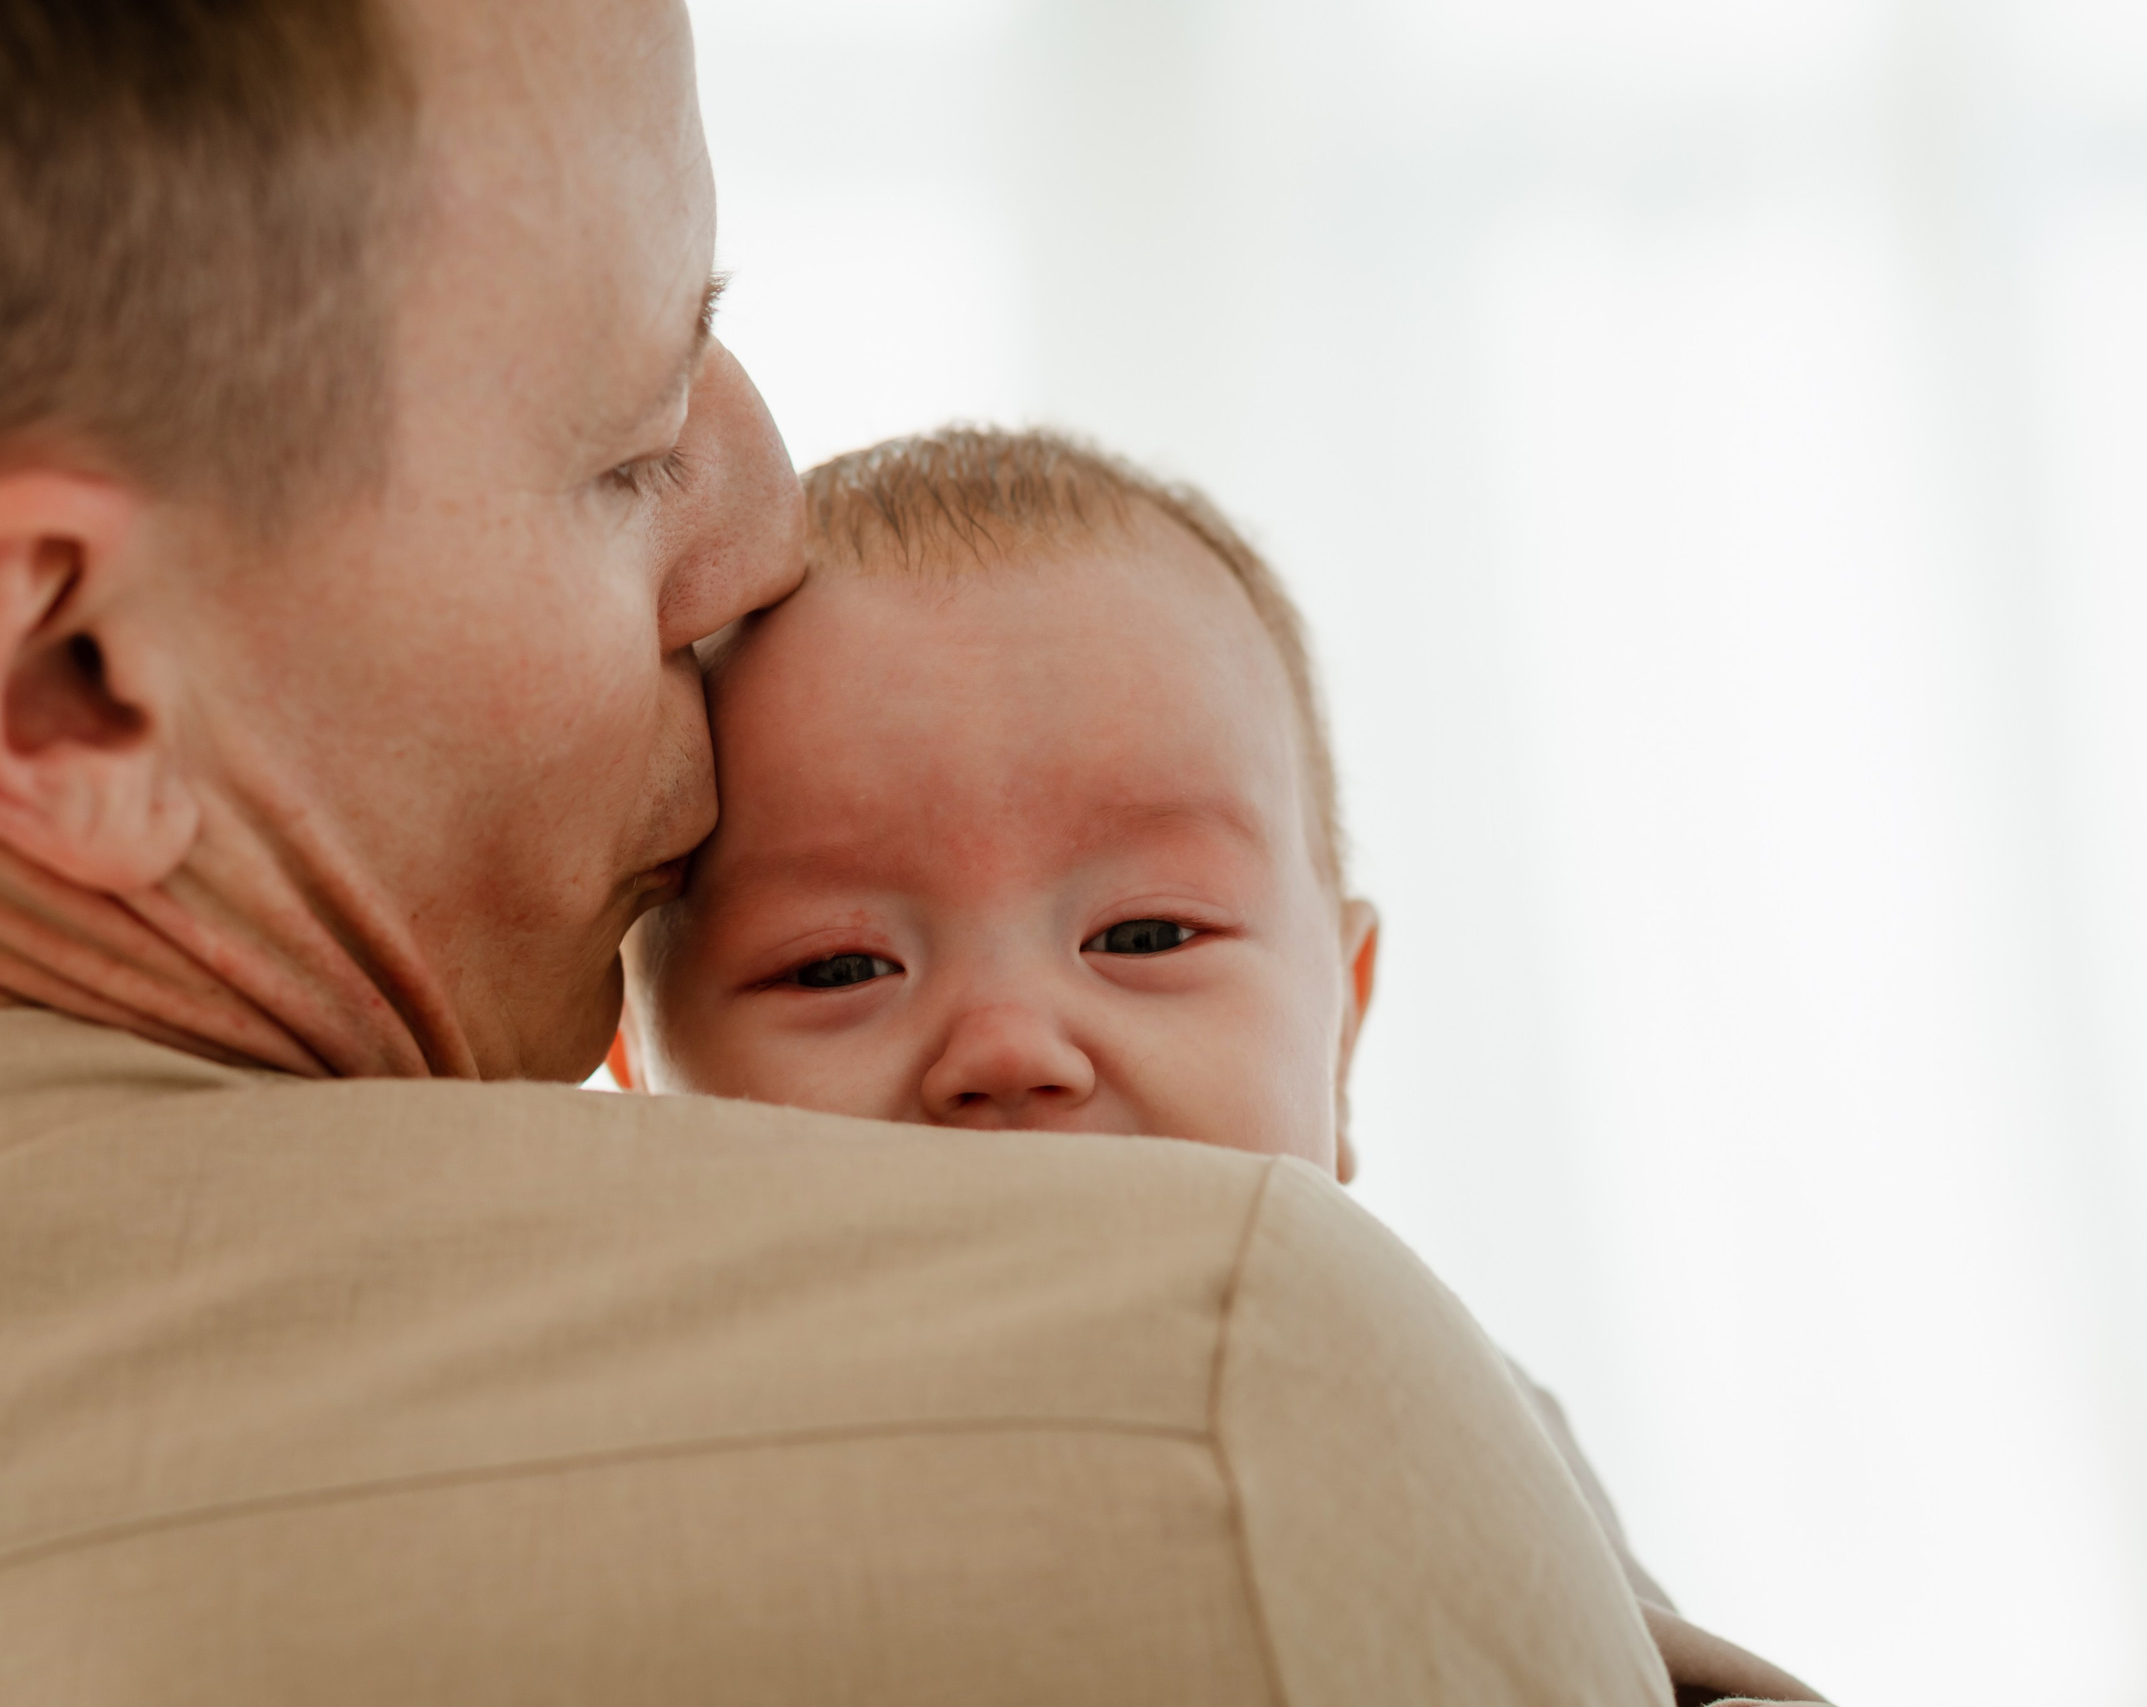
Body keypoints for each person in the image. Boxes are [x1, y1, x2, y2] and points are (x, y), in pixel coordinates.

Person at [0, 0, 1674, 1701]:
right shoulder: (1220, 1404)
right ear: (69, 677)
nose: (758, 537)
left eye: (1146, 927)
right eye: (633, 448)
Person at [609, 427, 1823, 1705]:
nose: (1009, 1048)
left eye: (1143, 936)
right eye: (839, 968)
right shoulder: (612, 1454)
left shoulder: (1416, 1398)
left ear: (1339, 1036)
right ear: (639, 1085)